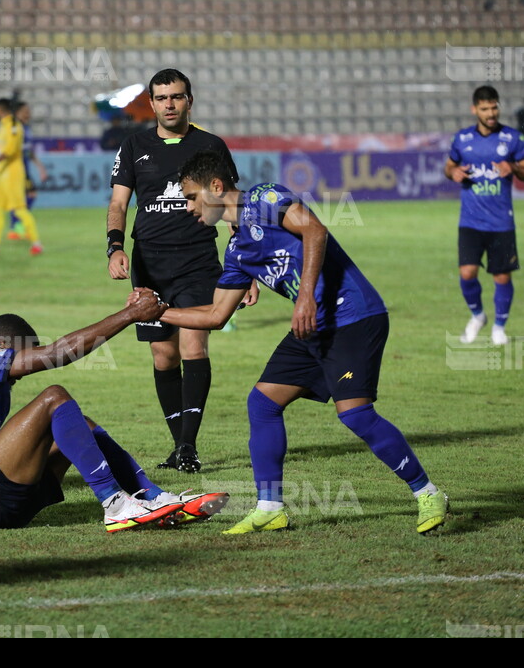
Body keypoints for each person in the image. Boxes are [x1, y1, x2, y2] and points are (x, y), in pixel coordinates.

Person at [149, 150, 448, 535]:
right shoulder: (237, 251)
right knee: (263, 403)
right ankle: (270, 507)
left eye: (191, 197)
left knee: (355, 413)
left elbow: (315, 230)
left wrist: (305, 295)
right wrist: (158, 313)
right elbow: (216, 316)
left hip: (353, 315)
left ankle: (428, 493)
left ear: (217, 187)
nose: (188, 207)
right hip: (311, 326)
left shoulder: (265, 198)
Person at [0, 290, 229, 532]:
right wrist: (130, 315)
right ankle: (115, 505)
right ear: (1, 345)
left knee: (76, 425)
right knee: (54, 397)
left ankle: (153, 497)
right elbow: (57, 354)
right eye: (25, 351)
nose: (29, 362)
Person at [106, 68, 254, 474]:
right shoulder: (134, 145)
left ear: (190, 100)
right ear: (151, 103)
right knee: (163, 354)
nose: (169, 104)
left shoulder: (210, 145)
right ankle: (178, 445)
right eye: (162, 98)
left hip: (197, 260)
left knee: (193, 348)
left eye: (176, 96)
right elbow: (119, 204)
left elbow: (230, 206)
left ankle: (188, 445)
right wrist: (115, 248)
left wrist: (247, 270)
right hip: (149, 263)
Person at [444, 85, 524, 345]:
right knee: (467, 273)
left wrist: (514, 167)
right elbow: (449, 166)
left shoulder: (513, 138)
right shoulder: (462, 139)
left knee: (502, 276)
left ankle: (499, 327)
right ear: (475, 110)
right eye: (485, 109)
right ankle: (478, 316)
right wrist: (454, 173)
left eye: (494, 107)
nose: (491, 113)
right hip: (470, 221)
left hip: (501, 221)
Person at [0, 98, 43, 256]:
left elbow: (10, 150)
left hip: (13, 174)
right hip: (1, 174)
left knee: (20, 209)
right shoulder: (4, 125)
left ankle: (36, 244)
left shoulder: (14, 126)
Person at [6, 102, 49, 241]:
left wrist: (40, 167)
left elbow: (29, 152)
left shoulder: (26, 129)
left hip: (24, 169)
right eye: (25, 111)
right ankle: (16, 228)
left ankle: (17, 227)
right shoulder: (14, 129)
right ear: (17, 113)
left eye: (28, 111)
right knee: (21, 198)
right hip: (16, 169)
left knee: (28, 195)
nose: (28, 114)